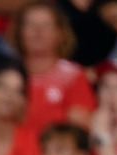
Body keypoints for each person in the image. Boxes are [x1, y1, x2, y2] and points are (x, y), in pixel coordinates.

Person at [12, 1, 97, 133]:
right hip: (16, 151)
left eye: (46, 25)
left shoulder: (73, 75)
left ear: (59, 33)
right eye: (30, 24)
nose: (37, 31)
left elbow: (78, 131)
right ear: (19, 32)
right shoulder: (7, 73)